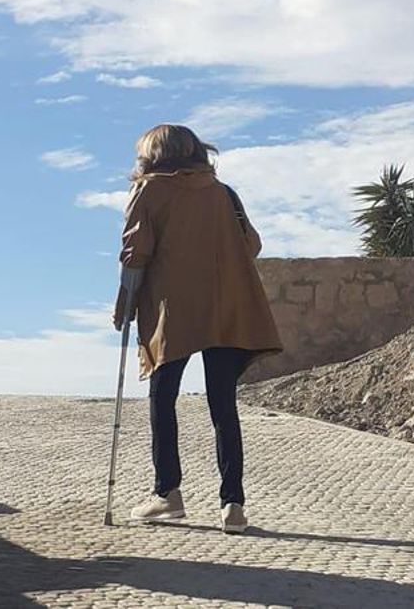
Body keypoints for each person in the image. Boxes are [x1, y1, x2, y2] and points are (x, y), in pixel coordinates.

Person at [114, 124, 282, 534]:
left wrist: (125, 305)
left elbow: (136, 253)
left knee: (163, 397)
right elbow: (252, 244)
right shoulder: (223, 193)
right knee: (223, 405)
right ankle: (233, 505)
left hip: (174, 312)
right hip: (226, 308)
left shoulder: (148, 190)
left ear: (154, 154)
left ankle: (167, 494)